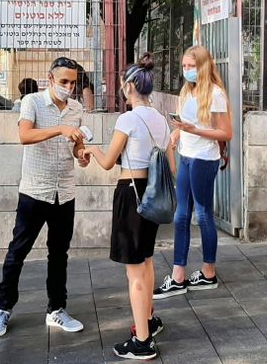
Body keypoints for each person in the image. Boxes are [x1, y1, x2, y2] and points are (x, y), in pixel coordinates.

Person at [0, 57, 89, 338]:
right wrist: (60, 129)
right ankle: (3, 309)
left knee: (59, 254)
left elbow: (77, 146)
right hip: (35, 190)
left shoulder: (76, 108)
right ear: (50, 79)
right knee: (18, 251)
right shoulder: (32, 101)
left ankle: (57, 309)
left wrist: (81, 155)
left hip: (64, 191)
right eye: (64, 81)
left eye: (73, 82)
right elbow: (25, 136)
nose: (68, 87)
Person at [82, 53, 175, 360]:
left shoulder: (128, 119)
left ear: (130, 86)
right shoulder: (160, 119)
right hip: (152, 193)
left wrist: (93, 149)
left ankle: (143, 342)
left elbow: (109, 162)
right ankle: (147, 319)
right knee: (146, 260)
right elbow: (171, 166)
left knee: (134, 270)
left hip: (131, 193)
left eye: (122, 83)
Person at [154, 45, 232, 299]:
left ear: (203, 66)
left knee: (203, 214)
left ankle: (208, 272)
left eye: (191, 66)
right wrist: (177, 132)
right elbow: (185, 124)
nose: (187, 71)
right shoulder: (187, 90)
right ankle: (178, 275)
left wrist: (194, 129)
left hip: (203, 159)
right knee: (181, 216)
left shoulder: (216, 94)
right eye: (184, 66)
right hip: (186, 156)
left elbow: (225, 133)